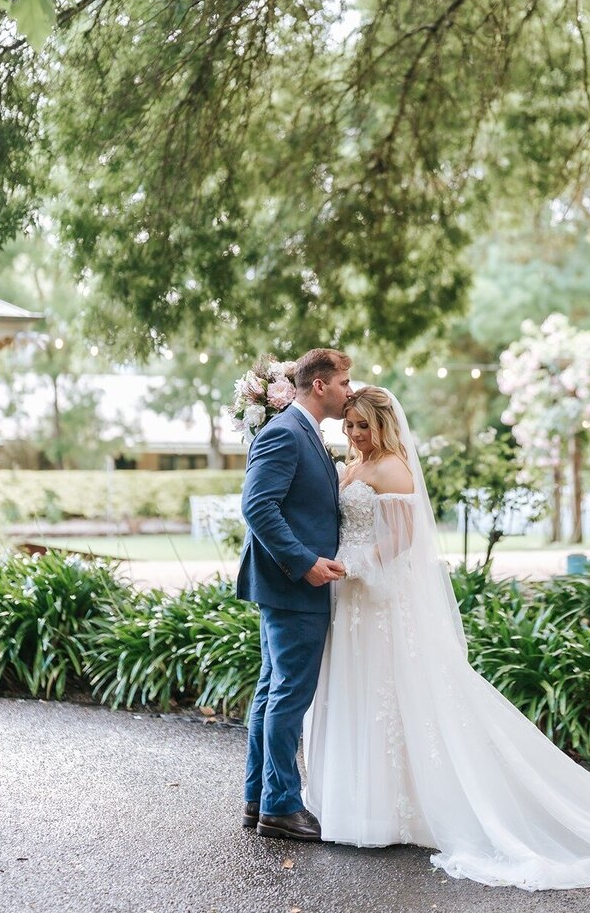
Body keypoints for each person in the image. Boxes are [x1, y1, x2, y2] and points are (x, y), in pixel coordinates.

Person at [303, 385, 590, 890]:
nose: (354, 434)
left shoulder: (393, 467)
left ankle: (395, 808)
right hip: (346, 599)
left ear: (384, 426)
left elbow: (400, 542)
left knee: (391, 697)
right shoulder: (351, 464)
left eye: (363, 426)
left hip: (376, 599)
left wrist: (353, 566)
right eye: (349, 426)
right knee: (359, 696)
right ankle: (361, 804)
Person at [236, 348, 351, 842]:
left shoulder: (305, 432)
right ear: (320, 385)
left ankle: (259, 797)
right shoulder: (285, 433)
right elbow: (257, 507)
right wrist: (304, 564)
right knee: (288, 696)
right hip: (292, 586)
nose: (350, 390)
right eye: (345, 381)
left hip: (287, 587)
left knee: (271, 692)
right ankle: (281, 806)